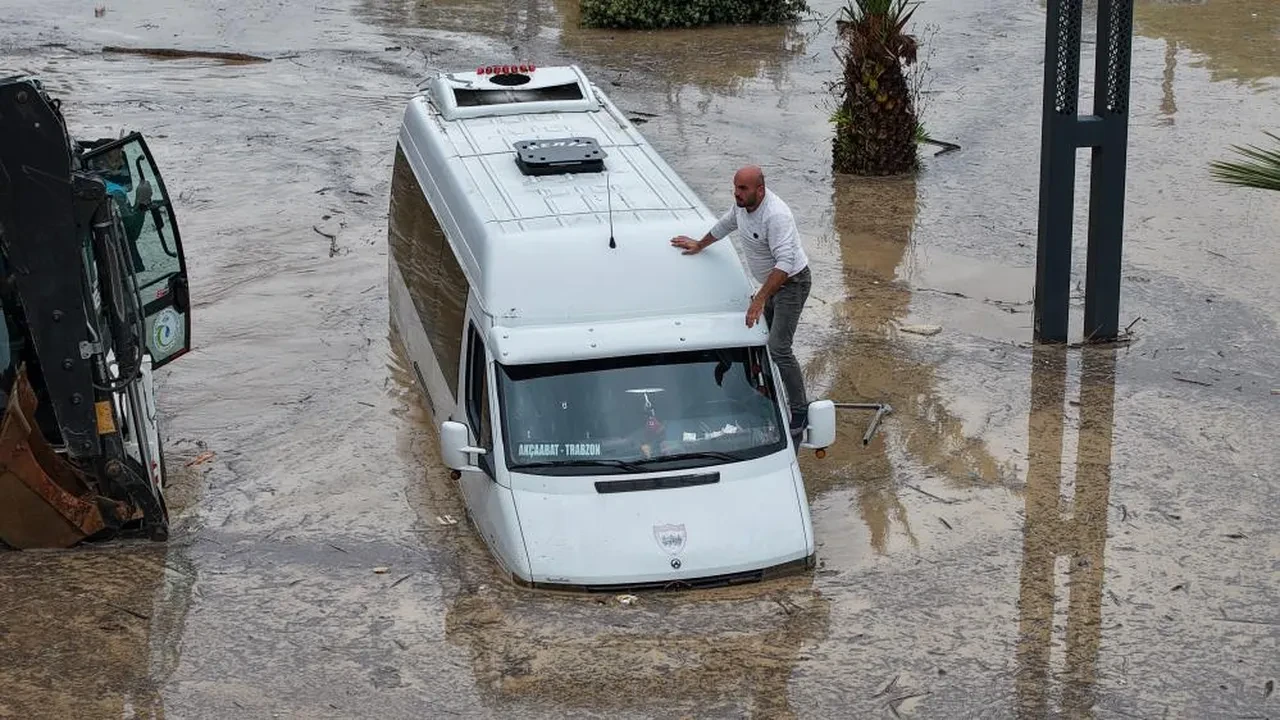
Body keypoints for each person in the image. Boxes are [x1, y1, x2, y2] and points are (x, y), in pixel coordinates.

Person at [671, 165, 812, 437]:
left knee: (779, 347)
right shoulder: (741, 207)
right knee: (761, 340)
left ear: (760, 190)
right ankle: (766, 391)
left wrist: (759, 300)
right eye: (735, 187)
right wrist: (700, 244)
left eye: (743, 188)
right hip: (771, 284)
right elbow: (725, 225)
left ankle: (800, 410)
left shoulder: (776, 216)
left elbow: (786, 263)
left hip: (792, 283)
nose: (736, 193)